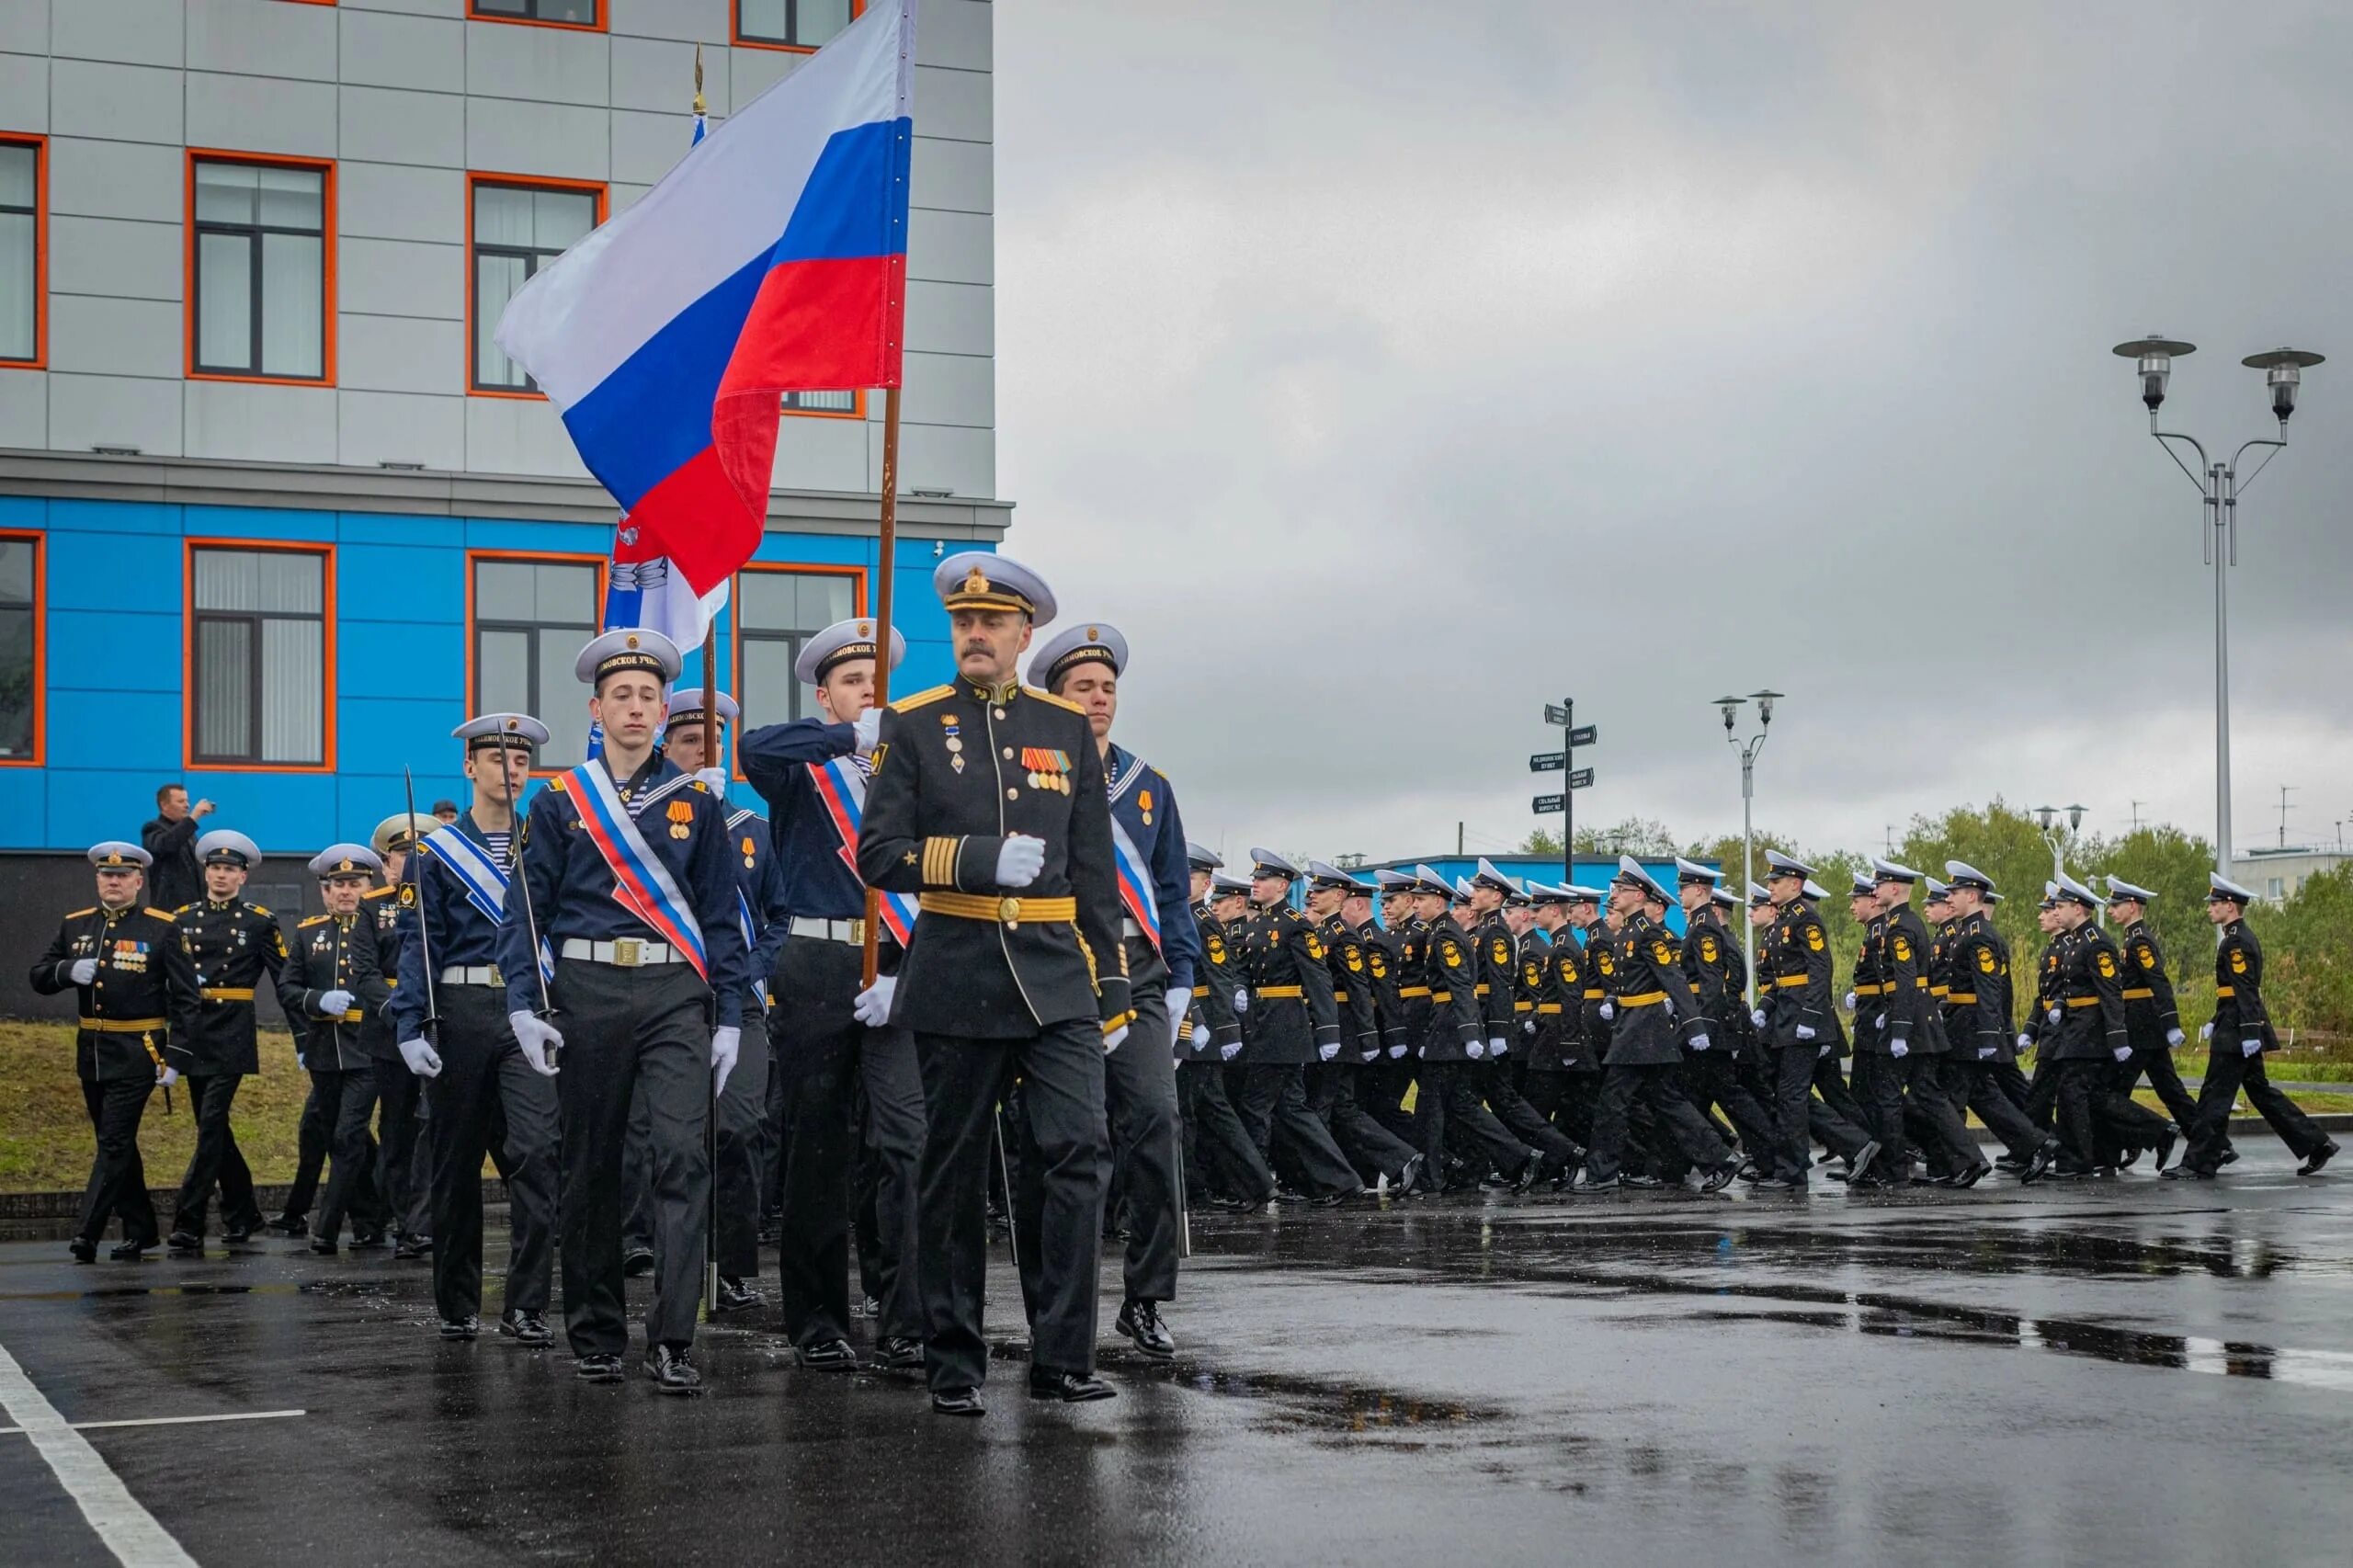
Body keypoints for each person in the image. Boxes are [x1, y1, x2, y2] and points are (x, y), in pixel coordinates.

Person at [856, 552, 1130, 1417]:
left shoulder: (1063, 726)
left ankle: (1063, 1355)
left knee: (1078, 1154)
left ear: (1023, 634)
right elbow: (878, 855)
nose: (976, 635)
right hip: (959, 965)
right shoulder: (909, 723)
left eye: (994, 623)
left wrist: (1113, 981)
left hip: (1055, 975)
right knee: (952, 1173)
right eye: (965, 623)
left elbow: (1093, 866)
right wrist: (976, 859)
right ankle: (953, 1359)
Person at [501, 629, 747, 1394]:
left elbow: (719, 915)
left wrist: (731, 1014)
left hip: (676, 994)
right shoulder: (558, 803)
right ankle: (597, 1333)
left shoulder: (698, 803)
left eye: (648, 696)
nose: (636, 709)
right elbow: (527, 910)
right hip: (587, 995)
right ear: (597, 708)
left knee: (681, 1157)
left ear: (663, 706)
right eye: (622, 697)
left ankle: (674, 1337)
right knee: (593, 1165)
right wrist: (523, 1003)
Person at [741, 617, 928, 1372]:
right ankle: (817, 1319)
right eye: (853, 683)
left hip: (899, 966)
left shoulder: (914, 769)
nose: (868, 693)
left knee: (908, 1142)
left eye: (877, 683)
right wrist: (849, 738)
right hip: (817, 964)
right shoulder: (802, 767)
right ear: (826, 694)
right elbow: (755, 746)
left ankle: (906, 1311)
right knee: (817, 1146)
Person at [1029, 619, 1199, 1360]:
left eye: (1107, 689)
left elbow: (1171, 894)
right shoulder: (1034, 777)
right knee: (1071, 1144)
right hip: (1059, 975)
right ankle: (1060, 1307)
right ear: (1056, 697)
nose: (1098, 699)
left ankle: (1146, 1297)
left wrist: (1185, 979)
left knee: (1157, 1125)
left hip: (1141, 975)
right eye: (1082, 688)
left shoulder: (1150, 787)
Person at [392, 714, 564, 1345]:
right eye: (497, 759)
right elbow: (419, 945)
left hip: (531, 1013)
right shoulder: (435, 853)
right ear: (470, 768)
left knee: (540, 1154)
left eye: (520, 761)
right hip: (460, 1013)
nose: (510, 770)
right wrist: (410, 1023)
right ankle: (458, 1303)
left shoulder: (547, 844)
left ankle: (526, 1305)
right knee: (455, 1164)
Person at [662, 691, 788, 1317]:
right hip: (669, 1001)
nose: (700, 752)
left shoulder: (757, 833)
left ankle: (737, 1266)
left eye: (712, 743)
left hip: (742, 1003)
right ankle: (672, 1266)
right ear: (667, 749)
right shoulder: (649, 828)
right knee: (677, 1142)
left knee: (739, 1129)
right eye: (688, 742)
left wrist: (749, 973)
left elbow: (780, 917)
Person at [33, 843, 196, 1262]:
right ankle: (141, 1230)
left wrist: (175, 1056)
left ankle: (86, 1232)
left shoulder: (162, 927)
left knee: (114, 1140)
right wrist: (65, 970)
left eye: (123, 876)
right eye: (107, 875)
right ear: (98, 880)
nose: (114, 882)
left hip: (139, 1049)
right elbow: (39, 977)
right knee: (117, 1144)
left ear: (139, 882)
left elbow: (186, 998)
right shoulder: (76, 925)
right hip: (93, 1051)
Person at [1575, 858, 1737, 1194]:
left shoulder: (1648, 934)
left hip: (1644, 1032)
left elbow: (1674, 979)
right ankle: (1720, 1158)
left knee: (1613, 1100)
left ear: (1638, 895)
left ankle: (1602, 1173)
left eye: (1620, 890)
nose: (1614, 895)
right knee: (1668, 1102)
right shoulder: (1627, 933)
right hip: (1635, 1029)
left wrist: (1695, 1024)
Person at [2170, 872, 2338, 1179]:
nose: (2209, 908)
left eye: (2215, 903)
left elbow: (2246, 989)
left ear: (2231, 906)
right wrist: (2213, 1020)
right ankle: (2317, 1143)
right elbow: (2232, 991)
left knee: (2214, 1096)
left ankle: (2199, 1162)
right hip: (2233, 1024)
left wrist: (2248, 1031)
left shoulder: (2237, 943)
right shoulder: (2236, 938)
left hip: (2237, 1032)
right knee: (2261, 1094)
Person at [164, 830, 282, 1251]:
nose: (220, 875)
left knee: (211, 1122)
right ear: (205, 872)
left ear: (242, 877)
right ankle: (243, 1212)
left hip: (232, 1030)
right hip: (194, 1031)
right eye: (214, 868)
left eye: (229, 869)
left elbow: (285, 979)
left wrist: (305, 1032)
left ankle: (189, 1221)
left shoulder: (259, 921)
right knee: (213, 1129)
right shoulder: (182, 919)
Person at [1232, 850, 1369, 1205]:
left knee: (1255, 1106)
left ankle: (1256, 1185)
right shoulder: (1258, 923)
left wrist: (1328, 1031)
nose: (1254, 884)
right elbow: (1248, 969)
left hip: (1284, 1026)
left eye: (1261, 880)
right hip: (1263, 1022)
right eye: (1254, 879)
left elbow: (1319, 980)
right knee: (1292, 1108)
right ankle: (1341, 1180)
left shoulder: (1296, 924)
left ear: (1281, 885)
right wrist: (1240, 990)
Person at [278, 846, 392, 1255]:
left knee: (348, 1135)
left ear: (369, 886)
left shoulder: (383, 927)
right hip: (324, 1049)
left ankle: (326, 1228)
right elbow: (287, 987)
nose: (346, 892)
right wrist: (316, 1000)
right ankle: (372, 1218)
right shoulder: (310, 933)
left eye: (355, 884)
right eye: (338, 884)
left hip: (367, 1048)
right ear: (326, 891)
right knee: (341, 1135)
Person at [1302, 861, 1425, 1196]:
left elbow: (1361, 991)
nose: (1312, 896)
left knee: (1329, 1107)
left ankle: (1334, 1180)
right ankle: (1394, 1161)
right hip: (1332, 1031)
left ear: (1340, 896)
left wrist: (1371, 1037)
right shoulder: (1325, 933)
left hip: (1342, 1034)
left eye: (1320, 891)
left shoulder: (1344, 937)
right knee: (1338, 1107)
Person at [1940, 861, 2059, 1181]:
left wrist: (1990, 1037)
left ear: (1973, 895)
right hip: (1961, 1025)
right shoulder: (1966, 931)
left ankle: (1965, 1162)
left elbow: (1990, 990)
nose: (1949, 897)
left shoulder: (1980, 936)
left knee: (1952, 1097)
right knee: (1984, 1097)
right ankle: (2036, 1144)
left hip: (1971, 1031)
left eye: (1955, 892)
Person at [1177, 850, 1272, 1210]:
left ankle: (1197, 1189)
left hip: (1205, 1026)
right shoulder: (1185, 916)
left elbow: (1219, 979)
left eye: (1192, 878)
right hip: (1193, 1019)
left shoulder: (1202, 920)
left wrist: (1228, 1030)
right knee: (1210, 1110)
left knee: (1195, 1111)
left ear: (1206, 884)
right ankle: (1250, 1184)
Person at [1673, 858, 1778, 1175]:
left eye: (1684, 887)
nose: (1680, 893)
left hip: (1707, 1027)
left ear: (1700, 890)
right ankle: (1684, 1165)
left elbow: (1711, 983)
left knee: (1728, 1097)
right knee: (1702, 1097)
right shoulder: (1698, 923)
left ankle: (1771, 1155)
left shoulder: (1705, 926)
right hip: (1705, 1024)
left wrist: (1700, 1026)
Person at [368, 812, 432, 1257]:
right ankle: (406, 1222)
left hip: (438, 1027)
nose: (410, 861)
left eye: (418, 854)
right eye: (403, 854)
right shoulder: (373, 908)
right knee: (396, 1132)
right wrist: (397, 1009)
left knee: (432, 1129)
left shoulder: (445, 898)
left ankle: (427, 1221)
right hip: (390, 1034)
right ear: (387, 863)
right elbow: (365, 971)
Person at [2103, 876, 2205, 1153]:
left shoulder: (2140, 941)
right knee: (2170, 1091)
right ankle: (2214, 1145)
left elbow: (2158, 981)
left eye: (2116, 904)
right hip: (2143, 1026)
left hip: (2142, 1028)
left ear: (2132, 906)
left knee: (2111, 1091)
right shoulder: (2131, 938)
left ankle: (2129, 1143)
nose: (2111, 910)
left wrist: (2171, 1022)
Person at [141, 783, 212, 915]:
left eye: (187, 801)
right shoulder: (153, 829)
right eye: (181, 801)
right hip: (169, 910)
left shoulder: (188, 833)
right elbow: (167, 845)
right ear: (164, 805)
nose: (187, 806)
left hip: (195, 909)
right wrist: (193, 817)